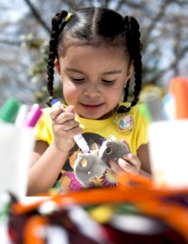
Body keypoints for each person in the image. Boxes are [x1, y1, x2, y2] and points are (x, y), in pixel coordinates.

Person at [27, 7, 151, 195]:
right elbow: (28, 191)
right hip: (64, 221)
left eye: (108, 81)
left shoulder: (139, 121)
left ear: (128, 72)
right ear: (59, 69)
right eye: (78, 79)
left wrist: (135, 176)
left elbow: (164, 190)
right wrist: (59, 147)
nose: (92, 93)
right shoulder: (47, 122)